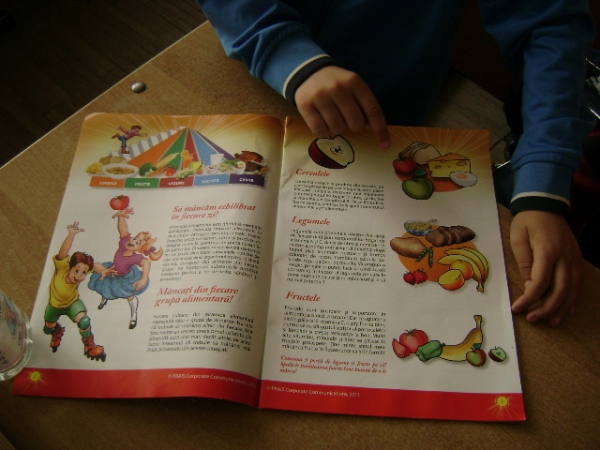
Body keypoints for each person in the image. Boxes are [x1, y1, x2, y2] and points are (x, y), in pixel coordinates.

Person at [195, 1, 596, 327]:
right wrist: (286, 54)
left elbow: (549, 24)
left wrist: (544, 183)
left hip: (381, 118)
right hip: (248, 75)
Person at [88, 207, 163, 329]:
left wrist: (144, 278)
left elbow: (146, 263)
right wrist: (121, 216)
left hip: (126, 278)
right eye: (135, 238)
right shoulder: (124, 243)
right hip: (113, 271)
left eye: (138, 243)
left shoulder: (135, 257)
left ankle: (133, 314)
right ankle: (105, 297)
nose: (134, 241)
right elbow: (123, 230)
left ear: (139, 249)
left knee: (127, 294)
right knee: (103, 281)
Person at [43, 222, 106, 362]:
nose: (78, 276)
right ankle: (57, 331)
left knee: (84, 321)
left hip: (72, 303)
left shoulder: (84, 271)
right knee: (47, 329)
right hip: (55, 305)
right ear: (70, 267)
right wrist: (71, 234)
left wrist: (105, 270)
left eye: (83, 273)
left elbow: (94, 266)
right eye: (76, 271)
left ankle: (89, 346)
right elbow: (63, 253)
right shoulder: (62, 267)